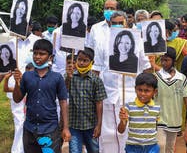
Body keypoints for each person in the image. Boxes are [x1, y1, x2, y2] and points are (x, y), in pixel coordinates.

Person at [91, 10, 152, 153]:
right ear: (110, 24)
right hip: (108, 96)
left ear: (126, 23)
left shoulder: (138, 42)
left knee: (130, 134)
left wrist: (148, 95)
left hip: (132, 96)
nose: (117, 26)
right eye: (114, 24)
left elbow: (146, 69)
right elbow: (96, 70)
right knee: (108, 135)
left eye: (120, 23)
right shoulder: (102, 43)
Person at [12, 39, 71, 152]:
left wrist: (65, 128)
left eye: (42, 54)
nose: (37, 57)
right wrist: (16, 83)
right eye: (35, 53)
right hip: (30, 129)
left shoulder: (57, 78)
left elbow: (63, 102)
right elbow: (17, 98)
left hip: (50, 129)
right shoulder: (26, 76)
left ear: (50, 57)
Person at [65, 47, 107, 153]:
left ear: (91, 62)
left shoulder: (96, 80)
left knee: (93, 150)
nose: (82, 63)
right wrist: (68, 78)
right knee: (74, 150)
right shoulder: (70, 76)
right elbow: (64, 91)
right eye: (79, 59)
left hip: (91, 125)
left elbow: (99, 103)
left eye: (85, 60)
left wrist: (99, 125)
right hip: (74, 125)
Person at [155, 47, 187, 153]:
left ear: (174, 61)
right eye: (162, 59)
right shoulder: (156, 77)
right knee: (160, 146)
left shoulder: (181, 78)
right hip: (159, 119)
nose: (163, 63)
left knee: (170, 148)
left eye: (166, 60)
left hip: (174, 120)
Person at [118, 72, 160, 153]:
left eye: (147, 91)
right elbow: (121, 130)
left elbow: (156, 128)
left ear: (155, 92)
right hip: (133, 147)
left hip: (152, 147)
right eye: (140, 90)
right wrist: (122, 121)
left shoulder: (157, 108)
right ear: (135, 89)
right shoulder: (128, 107)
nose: (142, 94)